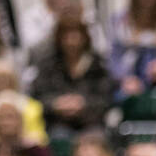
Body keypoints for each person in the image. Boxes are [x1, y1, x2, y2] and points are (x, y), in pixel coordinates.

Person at [30, 8, 114, 138]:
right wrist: (56, 104)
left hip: (91, 123)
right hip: (57, 124)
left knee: (95, 139)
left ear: (85, 37)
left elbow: (106, 98)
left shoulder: (98, 65)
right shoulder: (47, 65)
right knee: (58, 137)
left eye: (76, 35)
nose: (71, 41)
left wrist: (83, 104)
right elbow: (37, 97)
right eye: (66, 36)